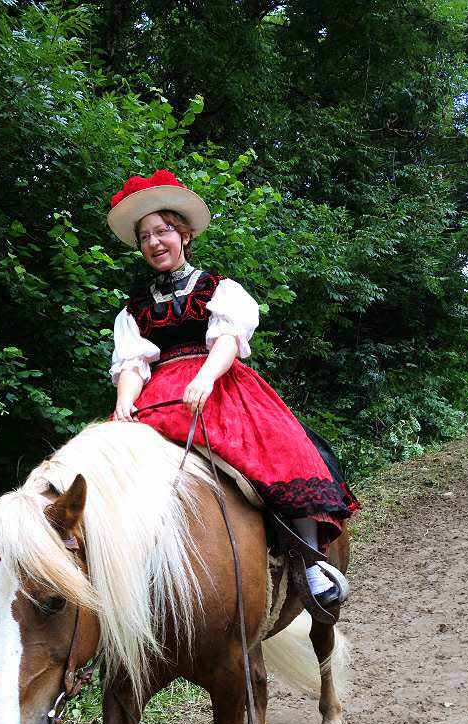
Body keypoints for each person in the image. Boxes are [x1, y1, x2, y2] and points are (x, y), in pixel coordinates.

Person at [107, 170, 359, 606]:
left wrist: (205, 377)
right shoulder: (134, 309)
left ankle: (310, 562)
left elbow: (227, 340)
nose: (154, 242)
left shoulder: (217, 289)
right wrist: (125, 400)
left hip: (218, 383)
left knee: (283, 450)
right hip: (157, 396)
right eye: (145, 235)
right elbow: (132, 362)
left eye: (163, 230)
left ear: (184, 235)